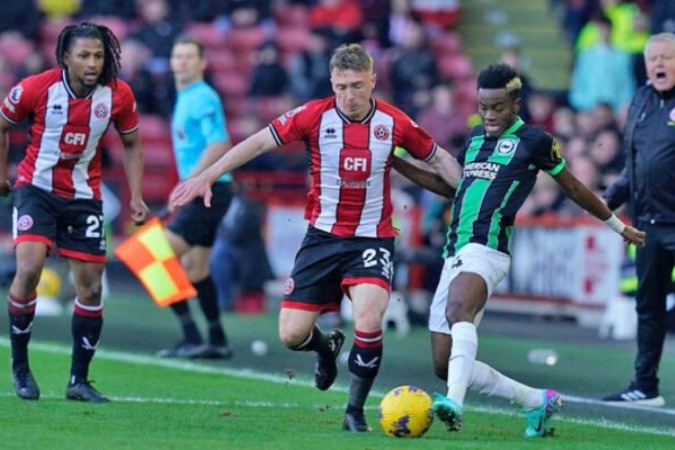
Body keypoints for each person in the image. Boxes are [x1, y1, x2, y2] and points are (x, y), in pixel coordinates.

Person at [168, 43, 462, 432]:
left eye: (358, 85)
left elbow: (439, 158)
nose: (349, 96)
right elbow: (257, 141)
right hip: (321, 238)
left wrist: (474, 195)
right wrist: (207, 174)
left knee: (369, 317)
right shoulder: (313, 116)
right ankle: (325, 347)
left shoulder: (393, 122)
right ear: (331, 82)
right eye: (341, 86)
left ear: (373, 81)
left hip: (371, 239)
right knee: (291, 335)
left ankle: (353, 412)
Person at [393, 63, 645, 437]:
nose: (490, 115)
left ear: (516, 104)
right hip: (455, 251)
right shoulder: (475, 139)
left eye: (498, 107)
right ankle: (535, 401)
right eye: (484, 107)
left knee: (458, 309)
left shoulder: (535, 141)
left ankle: (455, 404)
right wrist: (394, 162)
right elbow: (452, 188)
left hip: (489, 248)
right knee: (445, 364)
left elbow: (573, 188)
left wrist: (617, 226)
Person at [0, 22, 150, 402]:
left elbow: (132, 144)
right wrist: (2, 174)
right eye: (84, 55)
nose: (93, 63)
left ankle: (78, 381)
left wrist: (135, 196)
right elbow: (2, 125)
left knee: (92, 286)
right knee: (29, 268)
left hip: (85, 195)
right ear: (65, 57)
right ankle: (20, 367)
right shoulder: (36, 88)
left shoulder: (118, 95)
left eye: (98, 55)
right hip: (36, 189)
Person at [602, 32, 675, 407]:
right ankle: (645, 386)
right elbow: (635, 165)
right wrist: (610, 200)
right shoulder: (643, 100)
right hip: (648, 224)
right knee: (648, 307)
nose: (659, 64)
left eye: (667, 57)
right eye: (654, 59)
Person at [156, 36, 234, 359]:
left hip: (209, 192)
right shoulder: (187, 96)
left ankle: (191, 336)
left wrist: (189, 182)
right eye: (177, 56)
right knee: (195, 268)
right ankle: (216, 340)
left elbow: (220, 144)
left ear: (203, 63)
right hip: (212, 190)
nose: (182, 62)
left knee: (152, 257)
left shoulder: (203, 97)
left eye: (189, 56)